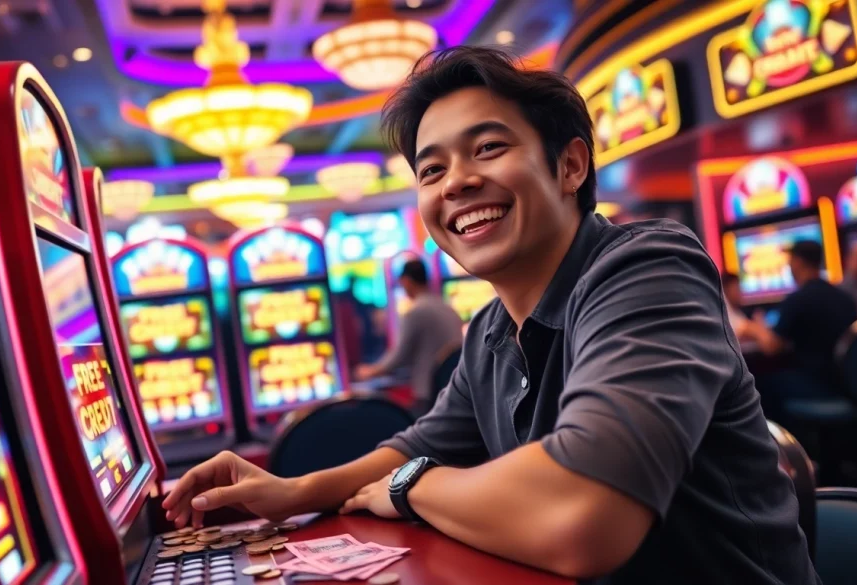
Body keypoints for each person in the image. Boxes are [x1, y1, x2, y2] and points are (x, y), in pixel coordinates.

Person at [162, 47, 817, 584]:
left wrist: (411, 485)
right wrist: (294, 490)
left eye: (487, 149)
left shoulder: (648, 268)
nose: (456, 183)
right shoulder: (490, 328)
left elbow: (584, 517)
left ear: (569, 164)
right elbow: (419, 444)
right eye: (432, 168)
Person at [746, 240, 857, 413]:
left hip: (818, 384)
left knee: (758, 383)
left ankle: (780, 439)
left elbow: (771, 348)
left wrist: (756, 327)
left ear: (797, 262)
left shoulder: (798, 300)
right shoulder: (844, 297)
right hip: (848, 384)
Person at [353, 258, 464, 411]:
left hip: (429, 392)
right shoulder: (448, 308)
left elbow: (400, 356)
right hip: (457, 388)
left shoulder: (416, 312)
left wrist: (371, 371)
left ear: (406, 281)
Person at [721, 271, 752, 339]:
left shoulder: (737, 311)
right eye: (737, 288)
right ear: (726, 290)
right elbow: (742, 328)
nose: (740, 292)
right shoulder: (722, 310)